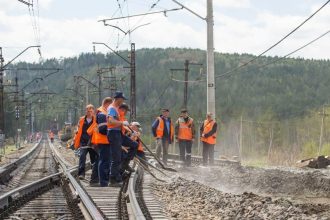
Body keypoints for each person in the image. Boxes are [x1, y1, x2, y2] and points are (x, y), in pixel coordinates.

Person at [87, 97, 112, 187]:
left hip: (102, 140)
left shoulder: (103, 112)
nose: (112, 107)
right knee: (103, 161)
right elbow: (102, 129)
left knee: (100, 160)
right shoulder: (102, 114)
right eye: (111, 105)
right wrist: (111, 133)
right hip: (102, 140)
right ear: (107, 104)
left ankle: (94, 180)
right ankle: (103, 182)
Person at [107, 91, 130, 186]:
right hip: (113, 133)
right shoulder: (112, 108)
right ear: (118, 98)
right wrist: (122, 123)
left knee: (118, 156)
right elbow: (110, 120)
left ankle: (118, 174)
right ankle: (113, 180)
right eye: (122, 99)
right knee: (116, 158)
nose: (123, 101)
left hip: (117, 133)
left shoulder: (115, 108)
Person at [74, 104, 98, 184]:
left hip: (92, 142)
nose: (89, 112)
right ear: (86, 111)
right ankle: (81, 174)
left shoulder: (96, 120)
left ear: (93, 111)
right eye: (88, 111)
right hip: (83, 142)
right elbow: (78, 129)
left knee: (93, 159)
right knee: (82, 157)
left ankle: (94, 174)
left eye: (91, 111)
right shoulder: (81, 120)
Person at [118, 103, 138, 174]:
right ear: (123, 109)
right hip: (116, 135)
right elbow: (120, 124)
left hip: (121, 135)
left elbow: (125, 125)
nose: (126, 112)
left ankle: (125, 164)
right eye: (126, 110)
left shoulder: (123, 116)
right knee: (120, 156)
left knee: (135, 144)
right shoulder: (117, 114)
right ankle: (120, 171)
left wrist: (132, 131)